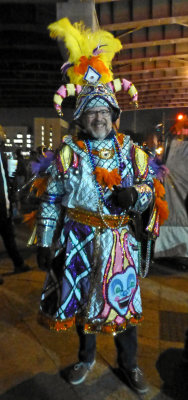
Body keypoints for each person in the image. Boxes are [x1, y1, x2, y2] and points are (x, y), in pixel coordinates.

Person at [34, 18, 166, 395]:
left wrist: (135, 196)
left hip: (118, 245)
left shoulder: (132, 152)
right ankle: (86, 357)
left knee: (123, 305)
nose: (97, 118)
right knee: (80, 306)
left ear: (113, 116)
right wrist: (45, 241)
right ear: (81, 117)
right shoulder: (68, 153)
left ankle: (129, 364)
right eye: (91, 113)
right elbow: (52, 199)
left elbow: (150, 191)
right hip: (77, 240)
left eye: (104, 113)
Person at [0, 125, 30, 274]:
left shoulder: (3, 155)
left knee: (9, 238)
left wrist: (12, 196)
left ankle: (19, 264)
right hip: (1, 207)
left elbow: (6, 180)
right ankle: (18, 263)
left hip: (4, 207)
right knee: (9, 238)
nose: (4, 139)